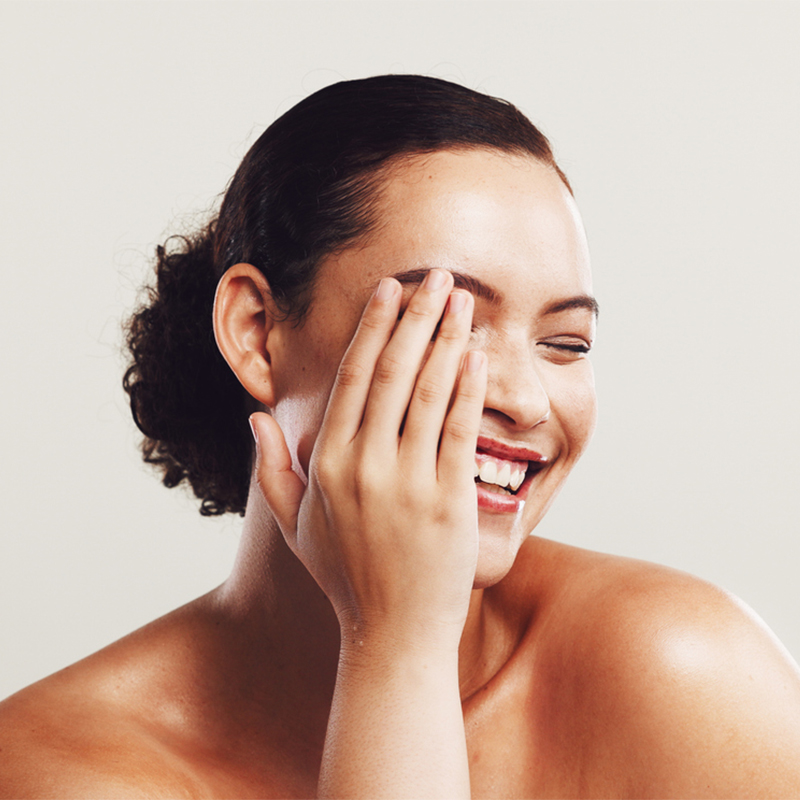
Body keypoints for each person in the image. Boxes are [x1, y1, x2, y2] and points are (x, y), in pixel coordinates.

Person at [1, 74, 799, 799]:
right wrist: (394, 644)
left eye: (565, 343)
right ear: (257, 332)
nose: (526, 401)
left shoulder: (684, 672)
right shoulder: (57, 770)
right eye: (446, 323)